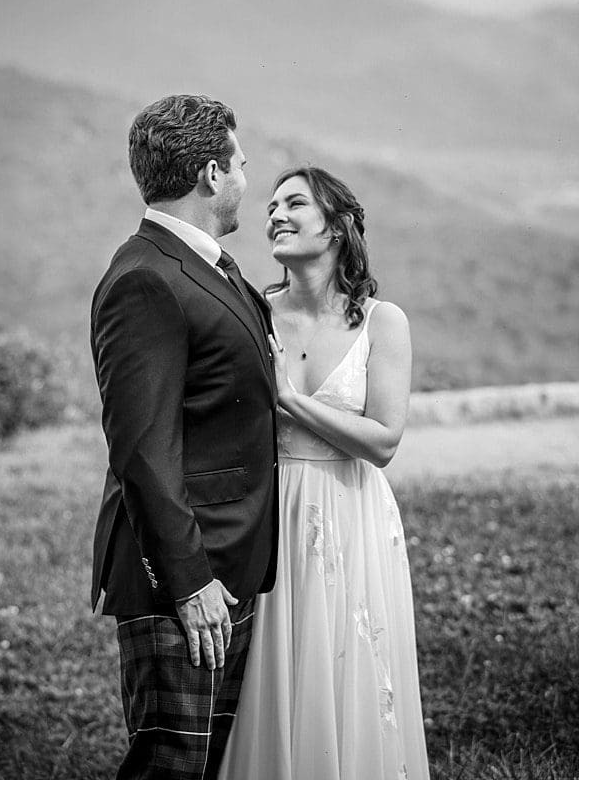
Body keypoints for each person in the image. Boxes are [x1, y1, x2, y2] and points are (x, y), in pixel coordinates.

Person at [89, 94, 280, 779]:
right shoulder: (146, 278)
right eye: (242, 164)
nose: (246, 180)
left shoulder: (206, 267)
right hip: (185, 579)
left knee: (211, 768)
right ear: (209, 173)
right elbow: (140, 448)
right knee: (171, 766)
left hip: (229, 568)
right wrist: (188, 579)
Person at [219, 167, 428, 779]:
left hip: (350, 512)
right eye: (271, 205)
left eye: (295, 203)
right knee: (269, 674)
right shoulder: (252, 310)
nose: (275, 215)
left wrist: (288, 397)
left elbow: (384, 441)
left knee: (348, 669)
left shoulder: (382, 322)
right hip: (266, 508)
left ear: (337, 226)